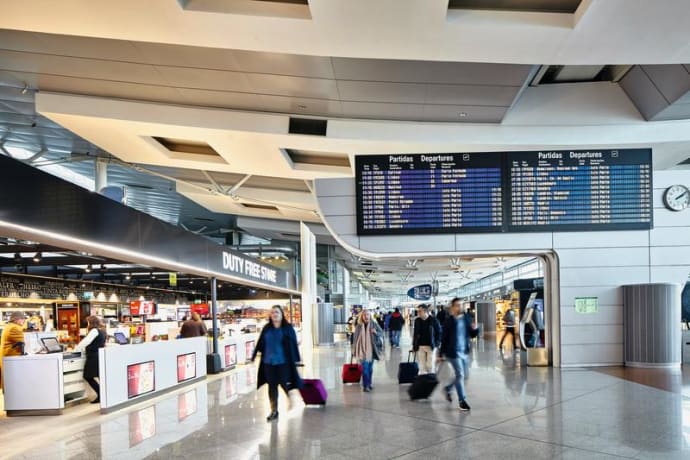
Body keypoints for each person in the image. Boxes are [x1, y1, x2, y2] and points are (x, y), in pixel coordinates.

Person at [251, 305, 303, 422]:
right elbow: (260, 342)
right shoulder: (267, 328)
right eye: (273, 312)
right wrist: (254, 355)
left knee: (285, 384)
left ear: (281, 314)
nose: (274, 314)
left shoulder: (287, 328)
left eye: (277, 312)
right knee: (272, 386)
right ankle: (274, 411)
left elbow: (293, 343)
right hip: (268, 363)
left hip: (283, 362)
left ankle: (293, 400)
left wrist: (296, 359)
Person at [439, 298, 478, 411]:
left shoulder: (466, 318)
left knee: (463, 375)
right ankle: (462, 401)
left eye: (461, 305)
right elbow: (444, 338)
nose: (459, 307)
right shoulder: (449, 321)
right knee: (460, 374)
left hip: (464, 351)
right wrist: (441, 354)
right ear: (452, 307)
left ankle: (448, 388)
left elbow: (472, 334)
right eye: (457, 305)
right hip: (453, 352)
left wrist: (476, 329)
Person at [75, 315, 106, 403]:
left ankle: (100, 394)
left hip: (93, 357)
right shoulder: (102, 331)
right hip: (99, 356)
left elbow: (85, 342)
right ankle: (104, 395)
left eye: (88, 322)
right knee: (100, 376)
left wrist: (76, 349)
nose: (87, 324)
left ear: (91, 323)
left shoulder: (94, 331)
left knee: (88, 376)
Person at [352, 309, 383, 392]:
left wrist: (375, 332)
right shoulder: (358, 326)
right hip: (362, 351)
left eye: (368, 315)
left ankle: (369, 383)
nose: (366, 316)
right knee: (365, 369)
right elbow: (355, 339)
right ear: (362, 316)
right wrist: (354, 350)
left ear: (370, 316)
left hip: (372, 350)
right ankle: (365, 386)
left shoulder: (374, 324)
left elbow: (381, 333)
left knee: (370, 369)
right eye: (364, 315)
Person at [413, 304, 442, 374]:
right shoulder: (417, 321)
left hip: (431, 345)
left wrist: (437, 344)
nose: (418, 313)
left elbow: (439, 333)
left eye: (420, 311)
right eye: (418, 311)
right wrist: (414, 345)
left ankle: (430, 377)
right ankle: (423, 378)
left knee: (430, 365)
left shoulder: (434, 320)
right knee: (422, 366)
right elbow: (415, 333)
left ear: (425, 311)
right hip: (420, 346)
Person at [0, 312, 27, 388]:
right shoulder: (14, 328)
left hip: (7, 356)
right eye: (22, 319)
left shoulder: (10, 326)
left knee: (8, 382)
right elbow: (22, 342)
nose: (24, 321)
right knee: (10, 383)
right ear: (16, 320)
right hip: (11, 358)